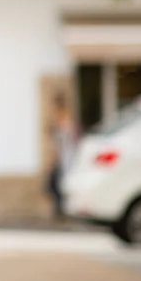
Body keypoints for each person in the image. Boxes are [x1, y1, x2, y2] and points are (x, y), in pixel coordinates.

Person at [46, 93, 79, 221]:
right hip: (63, 155)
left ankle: (66, 210)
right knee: (59, 184)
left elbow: (69, 138)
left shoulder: (66, 118)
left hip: (67, 155)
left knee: (64, 183)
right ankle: (61, 210)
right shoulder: (58, 118)